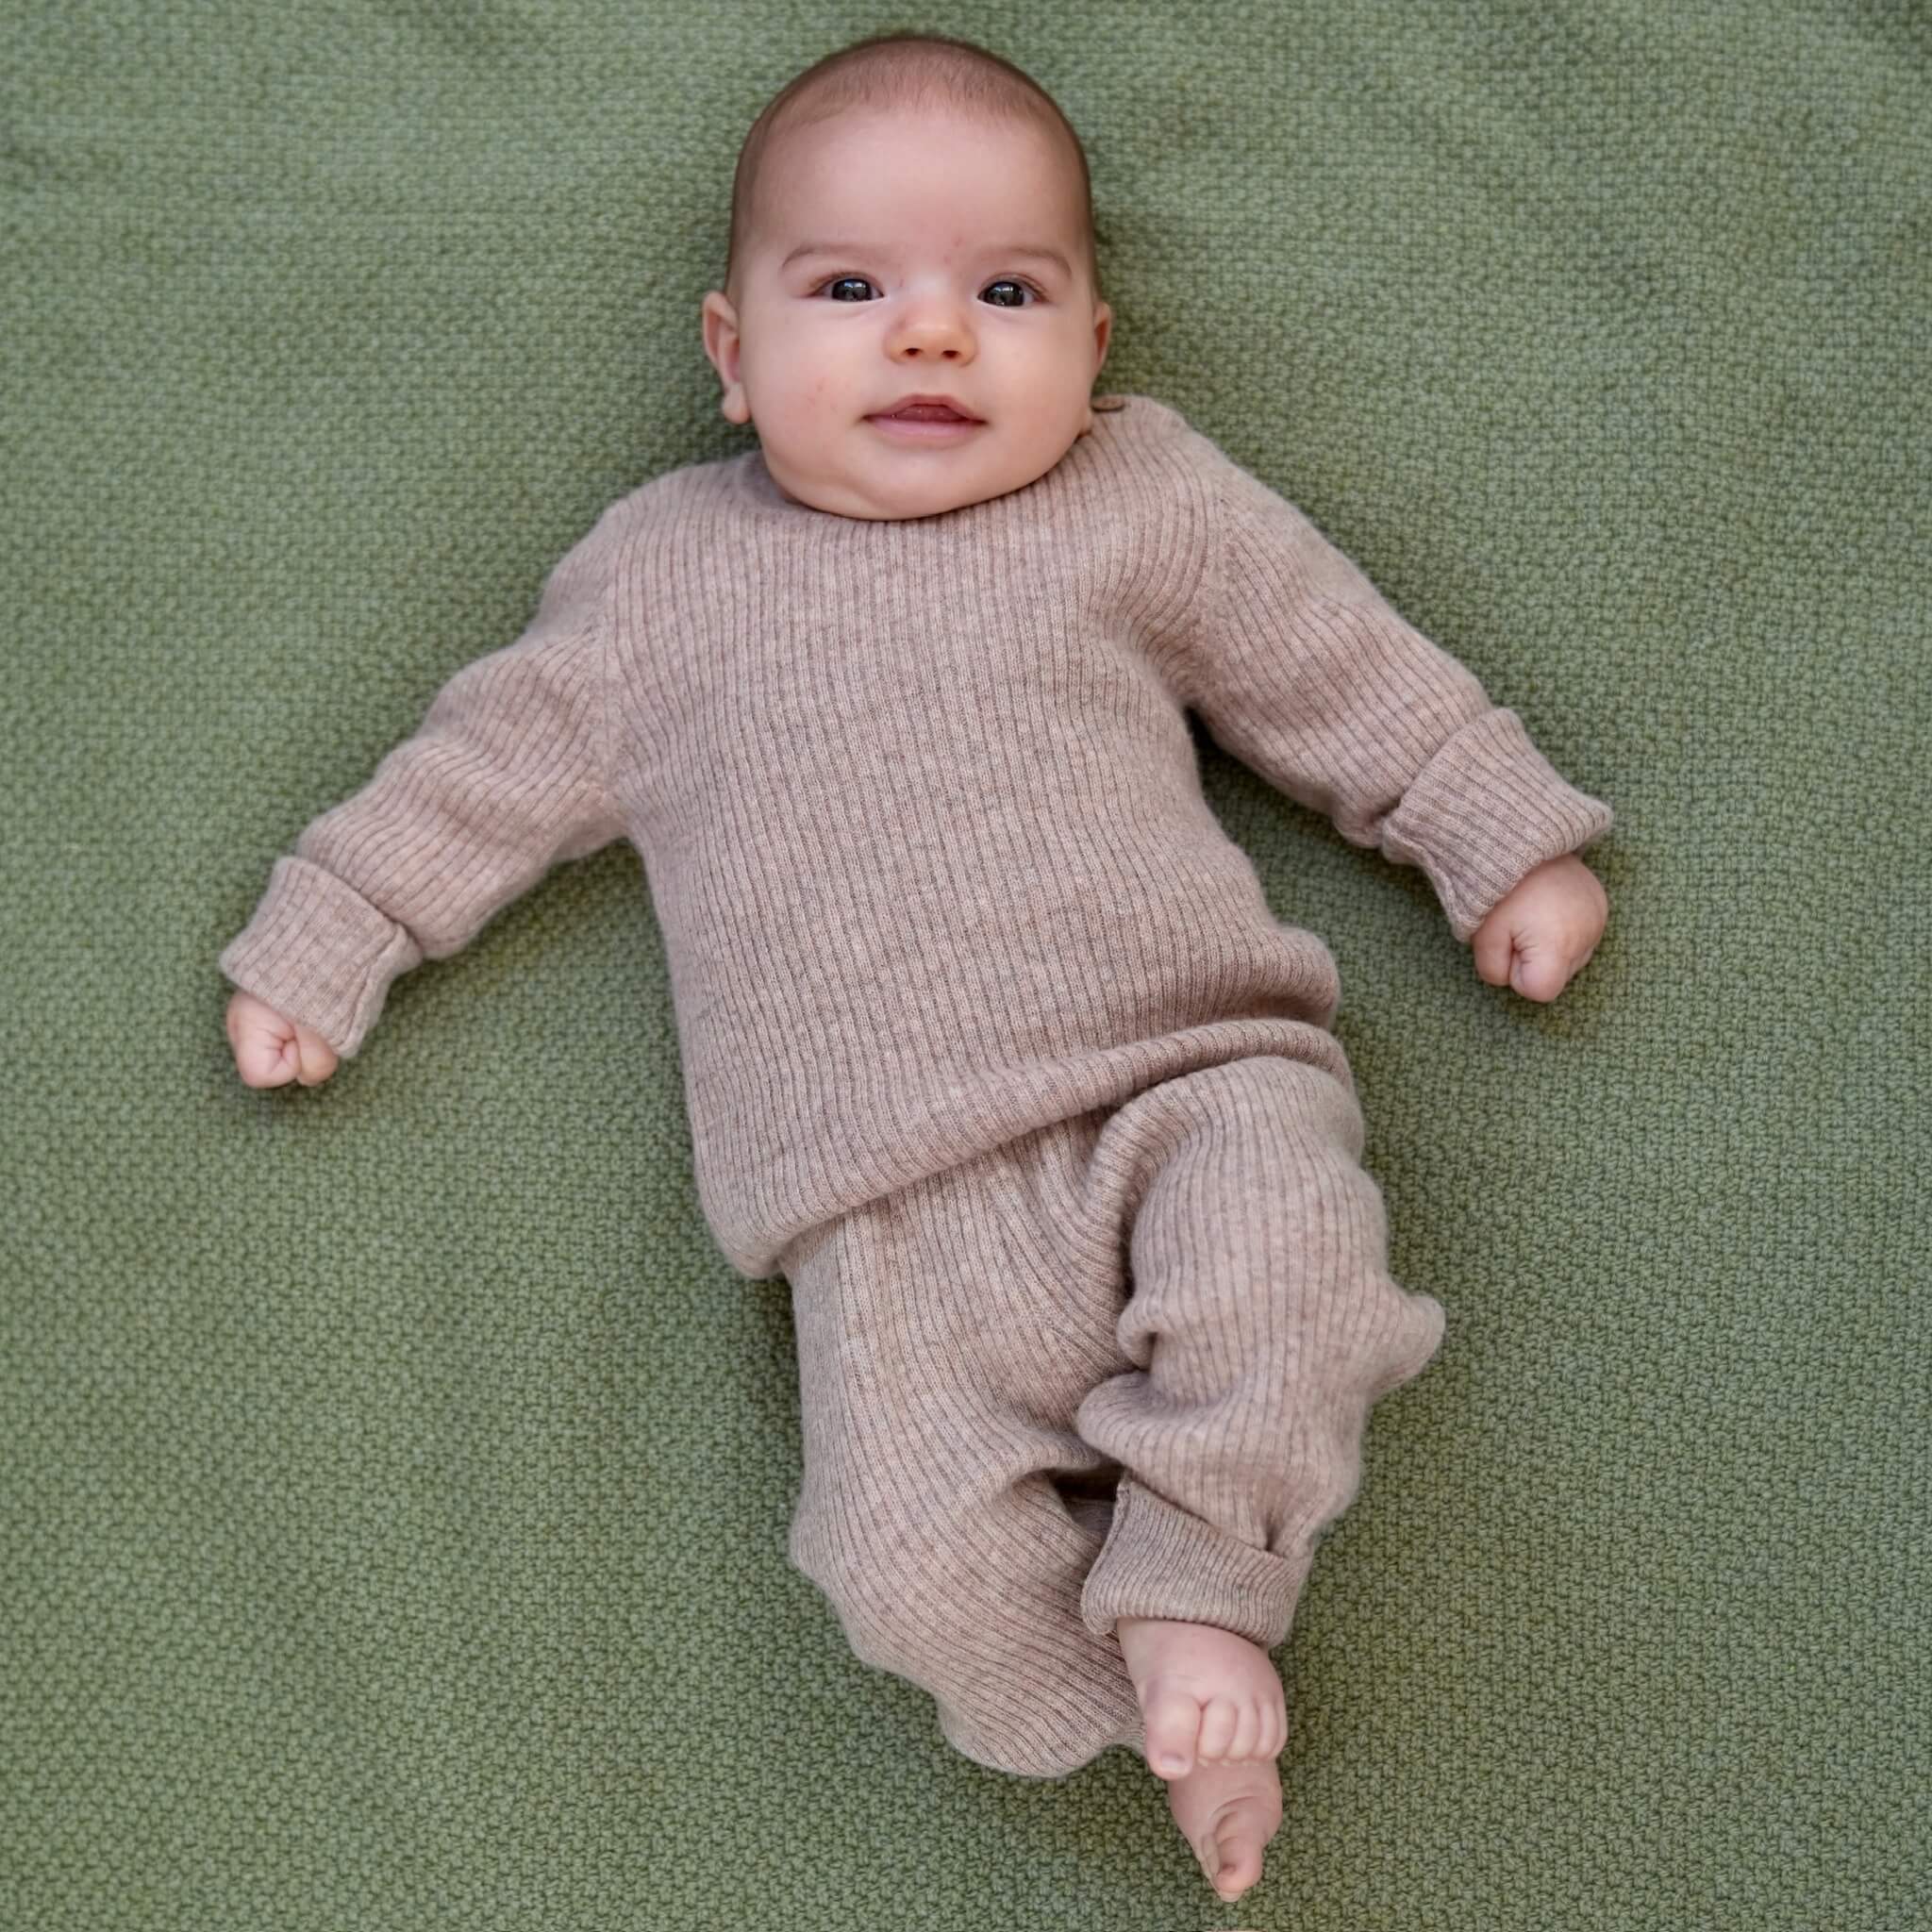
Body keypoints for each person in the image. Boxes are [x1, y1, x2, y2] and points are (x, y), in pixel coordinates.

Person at [221, 31, 1612, 1907]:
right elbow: (477, 774)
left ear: (1095, 345)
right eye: (852, 290)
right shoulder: (658, 585)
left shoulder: (1136, 499)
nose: (934, 335)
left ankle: (1203, 1589)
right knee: (901, 1567)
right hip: (880, 1213)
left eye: (1007, 294)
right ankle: (1162, 1720)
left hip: (1178, 1084)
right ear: (731, 354)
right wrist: (336, 930)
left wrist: (1493, 831)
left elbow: (1330, 661)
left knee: (1289, 1262)